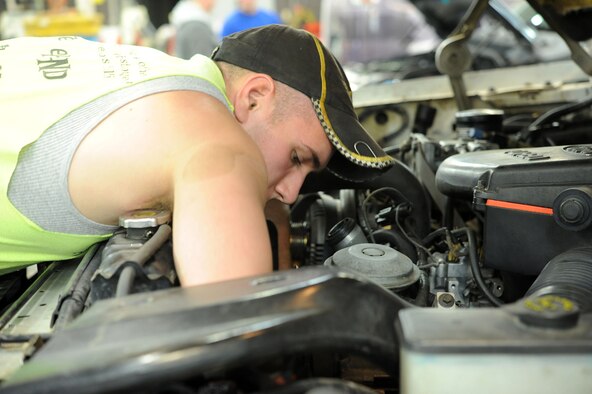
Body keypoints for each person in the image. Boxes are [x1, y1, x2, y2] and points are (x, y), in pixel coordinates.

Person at [0, 25, 394, 287]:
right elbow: (236, 326)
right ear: (254, 98)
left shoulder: (154, 75)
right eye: (296, 157)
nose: (291, 194)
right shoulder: (212, 139)